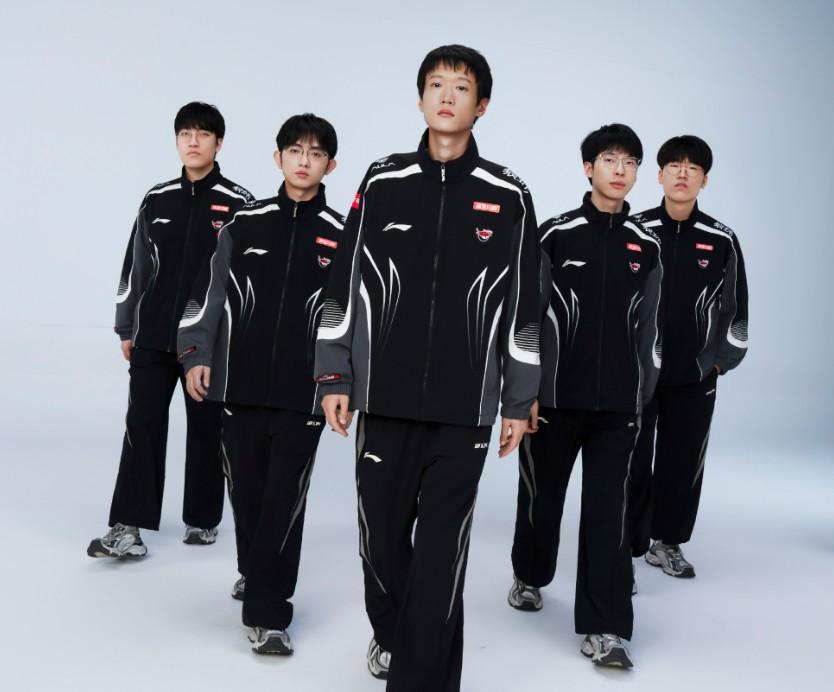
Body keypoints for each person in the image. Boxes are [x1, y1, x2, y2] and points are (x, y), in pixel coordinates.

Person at [314, 44, 540, 691]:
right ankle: (392, 632)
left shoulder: (508, 194)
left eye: (461, 87)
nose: (447, 96)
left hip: (463, 412)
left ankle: (419, 678)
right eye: (436, 85)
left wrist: (518, 401)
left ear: (482, 105)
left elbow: (526, 306)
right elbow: (341, 283)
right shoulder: (383, 182)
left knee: (441, 558)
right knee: (381, 545)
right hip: (383, 402)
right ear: (420, 99)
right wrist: (334, 376)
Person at [178, 113, 343, 654]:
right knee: (246, 493)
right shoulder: (244, 224)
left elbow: (350, 318)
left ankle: (269, 614)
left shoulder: (343, 236)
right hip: (239, 387)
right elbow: (207, 294)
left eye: (315, 154)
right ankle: (254, 570)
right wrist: (196, 354)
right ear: (278, 158)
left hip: (304, 393)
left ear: (330, 165)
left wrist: (341, 383)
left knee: (283, 500)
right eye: (295, 151)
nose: (304, 161)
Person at [508, 124, 662, 668]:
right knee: (542, 498)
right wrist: (525, 392)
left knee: (608, 515)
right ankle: (530, 574)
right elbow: (526, 317)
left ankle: (607, 627)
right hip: (553, 402)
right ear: (588, 168)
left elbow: (650, 330)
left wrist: (641, 395)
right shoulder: (556, 234)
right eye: (610, 159)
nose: (620, 170)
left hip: (619, 407)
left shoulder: (646, 245)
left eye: (630, 162)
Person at [88, 102, 253, 559]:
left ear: (219, 143)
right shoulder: (157, 199)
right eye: (185, 134)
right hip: (153, 336)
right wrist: (127, 325)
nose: (193, 142)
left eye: (203, 134)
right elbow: (135, 265)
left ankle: (202, 519)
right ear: (177, 141)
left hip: (207, 343)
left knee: (207, 429)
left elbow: (245, 282)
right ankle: (128, 526)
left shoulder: (240, 205)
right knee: (141, 425)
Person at [628, 135, 748, 578]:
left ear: (704, 180)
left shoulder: (721, 239)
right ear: (659, 175)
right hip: (637, 374)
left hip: (694, 376)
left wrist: (718, 362)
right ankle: (625, 551)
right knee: (630, 462)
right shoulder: (636, 231)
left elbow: (736, 308)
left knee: (682, 464)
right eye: (674, 166)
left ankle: (668, 542)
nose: (683, 174)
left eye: (693, 168)